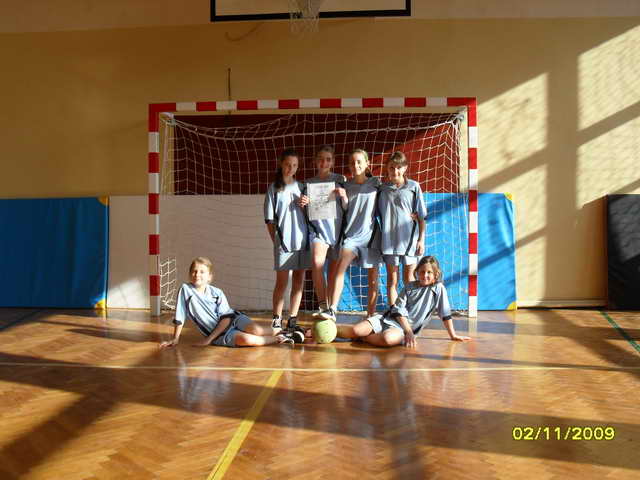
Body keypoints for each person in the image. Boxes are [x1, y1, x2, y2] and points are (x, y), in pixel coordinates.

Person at [336, 255, 471, 348]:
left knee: (388, 339)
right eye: (422, 272)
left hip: (401, 330)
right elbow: (397, 310)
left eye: (429, 272)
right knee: (355, 330)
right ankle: (329, 329)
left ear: (436, 274)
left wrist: (453, 335)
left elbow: (445, 314)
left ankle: (364, 338)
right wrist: (409, 331)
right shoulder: (409, 287)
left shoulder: (438, 289)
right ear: (417, 272)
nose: (425, 275)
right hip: (386, 319)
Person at [159, 257, 296, 348]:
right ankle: (281, 338)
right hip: (219, 334)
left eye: (202, 272)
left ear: (209, 277)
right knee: (248, 340)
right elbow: (180, 317)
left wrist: (208, 340)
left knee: (257, 330)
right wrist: (175, 339)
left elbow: (226, 318)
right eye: (194, 271)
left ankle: (286, 330)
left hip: (233, 319)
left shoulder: (217, 293)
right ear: (190, 274)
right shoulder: (185, 290)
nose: (197, 274)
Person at [323, 148, 381, 321]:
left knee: (373, 278)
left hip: (371, 237)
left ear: (367, 163)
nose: (355, 165)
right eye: (352, 162)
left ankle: (370, 315)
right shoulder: (346, 185)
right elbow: (345, 209)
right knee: (340, 269)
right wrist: (343, 198)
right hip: (352, 237)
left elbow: (387, 201)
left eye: (359, 162)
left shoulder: (376, 183)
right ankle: (332, 309)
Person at [297, 145, 347, 319]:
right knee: (316, 264)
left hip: (337, 232)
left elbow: (347, 207)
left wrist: (343, 195)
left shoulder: (340, 180)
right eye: (320, 159)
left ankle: (331, 310)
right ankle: (323, 305)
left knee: (333, 274)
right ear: (315, 161)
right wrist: (302, 204)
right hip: (318, 231)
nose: (324, 162)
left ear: (332, 162)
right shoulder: (307, 184)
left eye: (327, 159)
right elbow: (304, 212)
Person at [264, 149, 310, 331]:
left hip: (303, 242)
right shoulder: (273, 189)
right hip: (283, 243)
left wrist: (306, 205)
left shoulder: (303, 188)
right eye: (287, 164)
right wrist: (276, 241)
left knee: (298, 282)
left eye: (294, 165)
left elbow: (312, 216)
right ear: (281, 164)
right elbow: (269, 220)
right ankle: (277, 319)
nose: (291, 168)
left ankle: (292, 319)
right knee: (282, 283)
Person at [377, 151, 427, 306]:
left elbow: (421, 217)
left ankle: (411, 311)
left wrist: (421, 240)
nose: (395, 171)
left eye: (398, 167)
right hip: (389, 242)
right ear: (387, 168)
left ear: (405, 168)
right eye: (391, 167)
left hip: (409, 242)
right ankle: (394, 311)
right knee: (392, 281)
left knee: (409, 279)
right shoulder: (382, 189)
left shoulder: (413, 187)